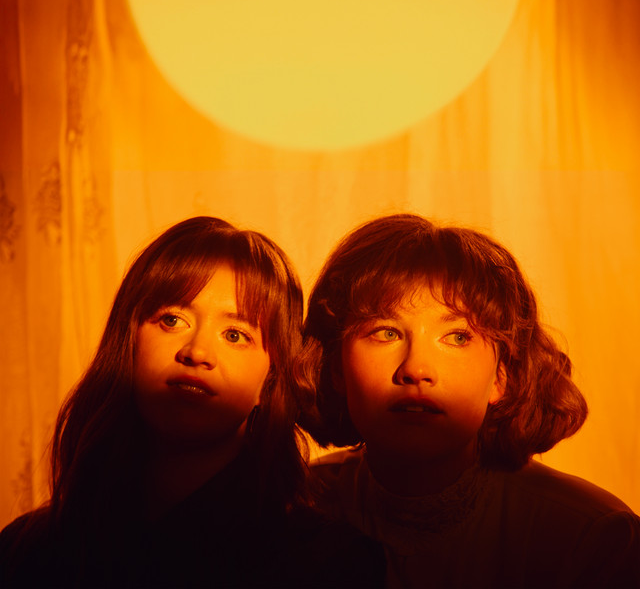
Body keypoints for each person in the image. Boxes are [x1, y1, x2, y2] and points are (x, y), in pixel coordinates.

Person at [0, 216, 384, 588]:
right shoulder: (26, 552)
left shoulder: (327, 565)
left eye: (235, 335)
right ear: (127, 342)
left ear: (270, 380)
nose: (197, 352)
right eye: (172, 320)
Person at [300, 213, 640, 588]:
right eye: (386, 332)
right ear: (336, 367)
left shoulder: (591, 540)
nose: (416, 369)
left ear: (501, 377)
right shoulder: (289, 509)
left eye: (457, 337)